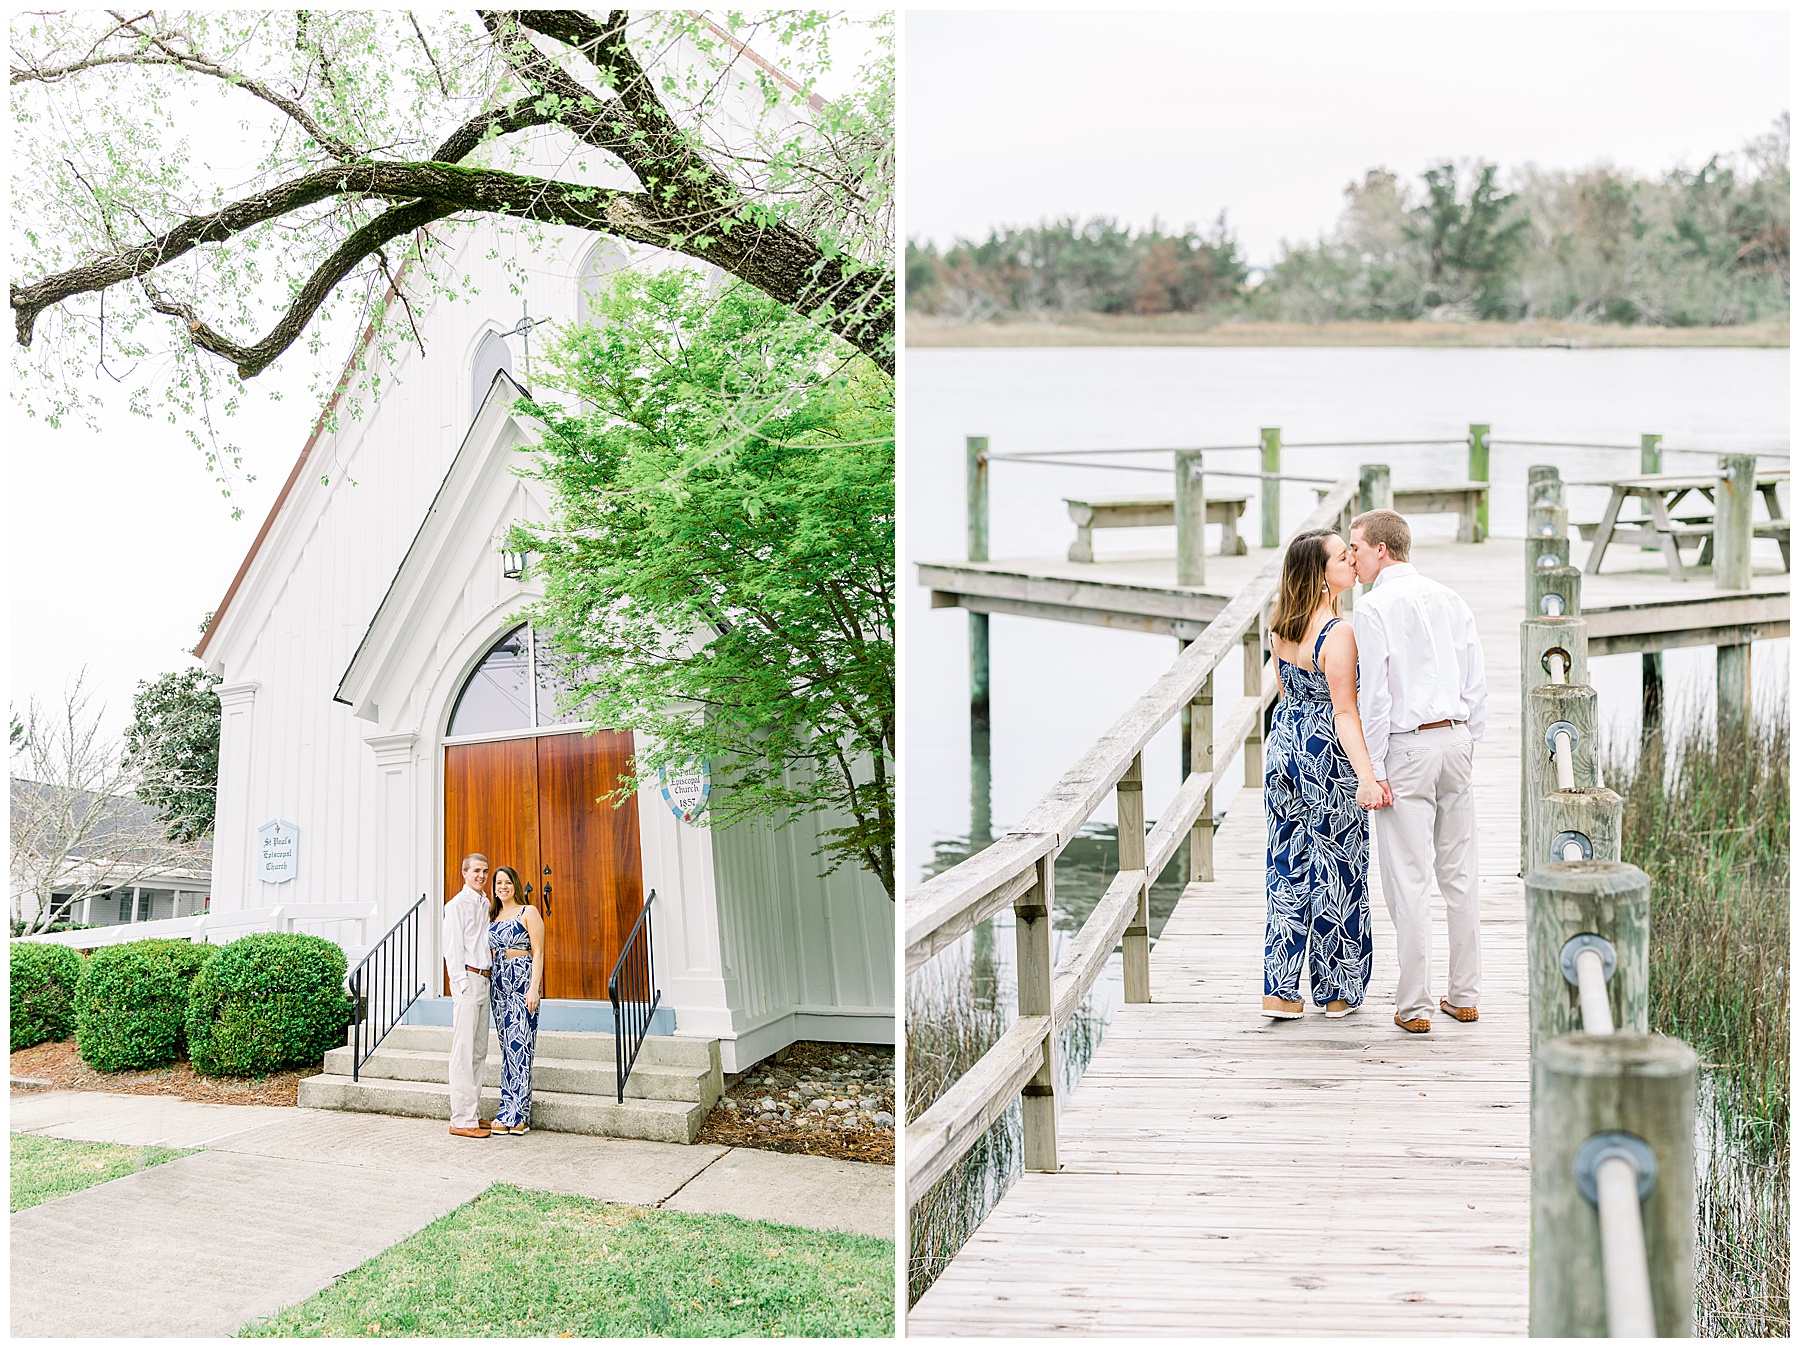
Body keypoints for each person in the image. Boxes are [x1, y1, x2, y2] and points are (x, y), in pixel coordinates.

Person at [1348, 508, 1488, 1035]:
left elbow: (1375, 695)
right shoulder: (1449, 597)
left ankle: (1415, 1005)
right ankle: (1465, 994)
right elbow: (1476, 679)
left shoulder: (1374, 605)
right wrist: (1469, 742)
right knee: (1459, 875)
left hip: (1407, 747)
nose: (1353, 558)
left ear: (1381, 549)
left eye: (1357, 548)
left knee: (1409, 880)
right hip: (1454, 738)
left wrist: (1375, 767)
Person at [1262, 529, 1386, 1020]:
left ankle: (1282, 991)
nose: (1352, 561)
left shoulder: (1280, 626)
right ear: (1319, 576)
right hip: (1325, 757)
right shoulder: (1339, 634)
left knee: (1288, 870)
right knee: (1339, 870)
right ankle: (1337, 990)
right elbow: (1345, 714)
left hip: (1282, 748)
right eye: (1342, 556)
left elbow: (1286, 694)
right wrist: (1367, 777)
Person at [486, 864, 545, 1135]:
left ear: (515, 885)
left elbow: (539, 952)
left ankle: (518, 1116)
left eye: (507, 882)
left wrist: (534, 988)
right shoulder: (493, 916)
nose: (503, 887)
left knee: (521, 1046)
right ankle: (506, 1109)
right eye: (498, 883)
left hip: (522, 980)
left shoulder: (528, 911)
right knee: (508, 1049)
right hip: (499, 985)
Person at [442, 852, 494, 1137]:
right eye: (476, 871)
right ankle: (461, 1120)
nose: (481, 876)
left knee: (477, 1051)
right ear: (464, 873)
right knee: (462, 1051)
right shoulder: (457, 905)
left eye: (485, 871)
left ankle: (472, 1113)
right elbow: (452, 948)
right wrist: (460, 984)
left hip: (484, 981)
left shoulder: (484, 902)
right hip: (468, 980)